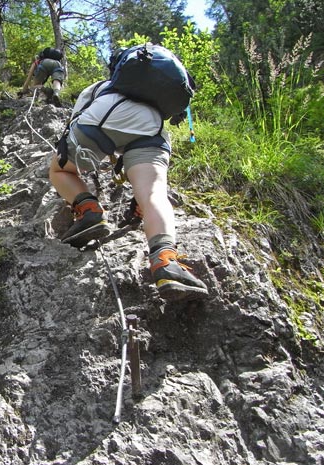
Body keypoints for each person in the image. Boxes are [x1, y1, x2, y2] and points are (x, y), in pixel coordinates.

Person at [48, 49, 208, 302]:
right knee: (153, 194)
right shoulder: (154, 105)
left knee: (58, 169)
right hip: (152, 128)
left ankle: (89, 211)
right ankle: (166, 263)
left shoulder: (101, 87)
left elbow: (77, 120)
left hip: (103, 118)